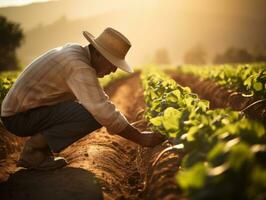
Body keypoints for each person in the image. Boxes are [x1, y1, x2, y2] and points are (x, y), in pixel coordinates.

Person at [0, 27, 165, 170]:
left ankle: (40, 150)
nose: (114, 70)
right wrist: (140, 137)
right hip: (19, 118)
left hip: (24, 112)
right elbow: (102, 110)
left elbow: (97, 101)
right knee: (92, 114)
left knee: (86, 107)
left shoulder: (76, 52)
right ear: (99, 54)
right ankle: (34, 151)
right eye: (112, 63)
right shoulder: (79, 66)